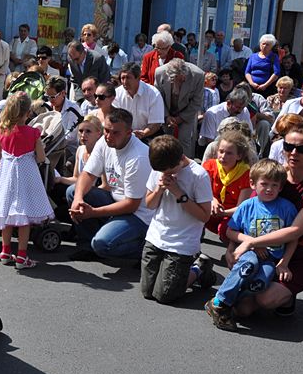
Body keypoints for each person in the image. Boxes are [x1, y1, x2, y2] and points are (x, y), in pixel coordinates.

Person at [228, 125, 303, 319]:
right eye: (288, 146)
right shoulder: (274, 176)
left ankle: (285, 296)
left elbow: (295, 231)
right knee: (243, 309)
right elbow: (247, 213)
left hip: (300, 252)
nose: (294, 153)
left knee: (265, 299)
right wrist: (232, 248)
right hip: (264, 249)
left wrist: (250, 243)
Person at [205, 159, 298, 331]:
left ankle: (233, 300)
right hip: (251, 252)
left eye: (274, 185)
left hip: (271, 259)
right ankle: (219, 302)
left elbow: (293, 237)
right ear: (253, 184)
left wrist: (284, 262)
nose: (269, 189)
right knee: (248, 265)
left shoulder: (287, 208)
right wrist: (251, 243)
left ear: (281, 187)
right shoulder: (247, 206)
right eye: (264, 184)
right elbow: (230, 231)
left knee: (260, 282)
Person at [68, 108, 154, 261]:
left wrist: (93, 212)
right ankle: (88, 247)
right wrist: (78, 199)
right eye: (106, 130)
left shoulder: (138, 157)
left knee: (103, 244)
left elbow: (132, 205)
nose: (108, 136)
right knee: (73, 191)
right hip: (115, 200)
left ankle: (148, 249)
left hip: (139, 215)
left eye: (115, 133)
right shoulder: (104, 141)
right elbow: (88, 174)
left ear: (129, 133)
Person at [141, 135, 214, 303]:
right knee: (147, 291)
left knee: (164, 295)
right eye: (163, 171)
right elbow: (149, 204)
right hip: (156, 236)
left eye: (170, 171)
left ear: (181, 158)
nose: (166, 174)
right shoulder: (160, 168)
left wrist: (178, 193)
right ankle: (179, 273)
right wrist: (159, 190)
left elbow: (204, 216)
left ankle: (199, 268)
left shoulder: (198, 175)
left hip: (182, 242)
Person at [0, 91, 52, 269]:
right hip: (26, 176)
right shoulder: (33, 132)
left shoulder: (3, 131)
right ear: (28, 113)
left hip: (7, 177)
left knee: (7, 213)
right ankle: (21, 255)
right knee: (24, 217)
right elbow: (41, 157)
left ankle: (5, 251)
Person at [202, 130, 252, 244]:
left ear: (239, 156)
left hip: (231, 214)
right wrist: (213, 201)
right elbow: (202, 192)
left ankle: (232, 247)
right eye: (221, 151)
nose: (223, 156)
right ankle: (194, 240)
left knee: (225, 230)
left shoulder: (246, 174)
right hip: (211, 209)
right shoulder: (210, 166)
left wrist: (223, 213)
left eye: (229, 153)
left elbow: (241, 208)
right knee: (194, 211)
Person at [154, 58, 204, 158]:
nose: (180, 83)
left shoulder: (198, 75)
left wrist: (180, 118)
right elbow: (158, 98)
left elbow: (197, 101)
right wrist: (167, 116)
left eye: (182, 80)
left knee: (184, 139)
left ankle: (185, 164)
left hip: (187, 111)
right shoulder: (159, 73)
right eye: (176, 80)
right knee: (166, 140)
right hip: (167, 110)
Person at [115, 62, 164, 142]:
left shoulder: (153, 94)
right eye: (122, 78)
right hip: (125, 136)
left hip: (150, 136)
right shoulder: (117, 94)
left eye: (128, 78)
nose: (125, 82)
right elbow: (115, 119)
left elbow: (156, 123)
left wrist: (143, 133)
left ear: (138, 78)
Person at [55, 114, 103, 187]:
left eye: (88, 131)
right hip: (82, 187)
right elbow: (76, 178)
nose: (83, 135)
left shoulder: (102, 153)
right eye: (81, 131)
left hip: (96, 189)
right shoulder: (80, 150)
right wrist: (60, 179)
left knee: (71, 190)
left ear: (98, 134)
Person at [44, 76, 82, 162]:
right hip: (48, 146)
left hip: (67, 149)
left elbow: (70, 137)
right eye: (47, 96)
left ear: (63, 93)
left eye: (53, 97)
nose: (50, 100)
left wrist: (49, 142)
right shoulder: (46, 106)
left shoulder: (73, 108)